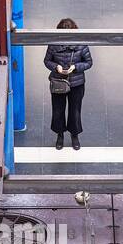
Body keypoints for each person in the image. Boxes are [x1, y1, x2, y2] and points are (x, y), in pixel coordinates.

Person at [45, 18, 92, 151]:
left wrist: (76, 67)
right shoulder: (53, 45)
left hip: (75, 83)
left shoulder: (81, 45)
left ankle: (74, 135)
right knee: (58, 110)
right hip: (59, 82)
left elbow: (89, 62)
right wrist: (56, 67)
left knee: (75, 111)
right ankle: (60, 135)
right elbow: (47, 61)